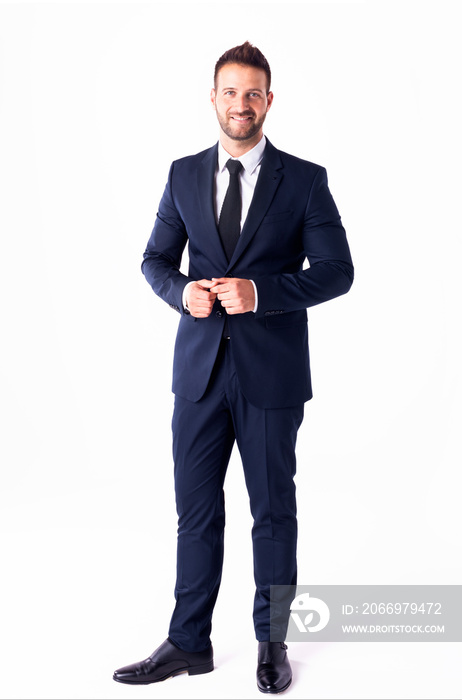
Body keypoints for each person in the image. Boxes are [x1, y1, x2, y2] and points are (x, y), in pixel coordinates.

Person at [113, 41, 353, 694]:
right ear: (212, 97)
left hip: (271, 378)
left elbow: (338, 272)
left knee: (273, 513)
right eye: (229, 91)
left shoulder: (304, 179)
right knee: (195, 512)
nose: (240, 104)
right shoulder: (182, 174)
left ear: (268, 101)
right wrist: (180, 293)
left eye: (253, 93)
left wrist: (264, 293)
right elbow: (155, 259)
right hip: (197, 376)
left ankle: (271, 646)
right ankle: (189, 643)